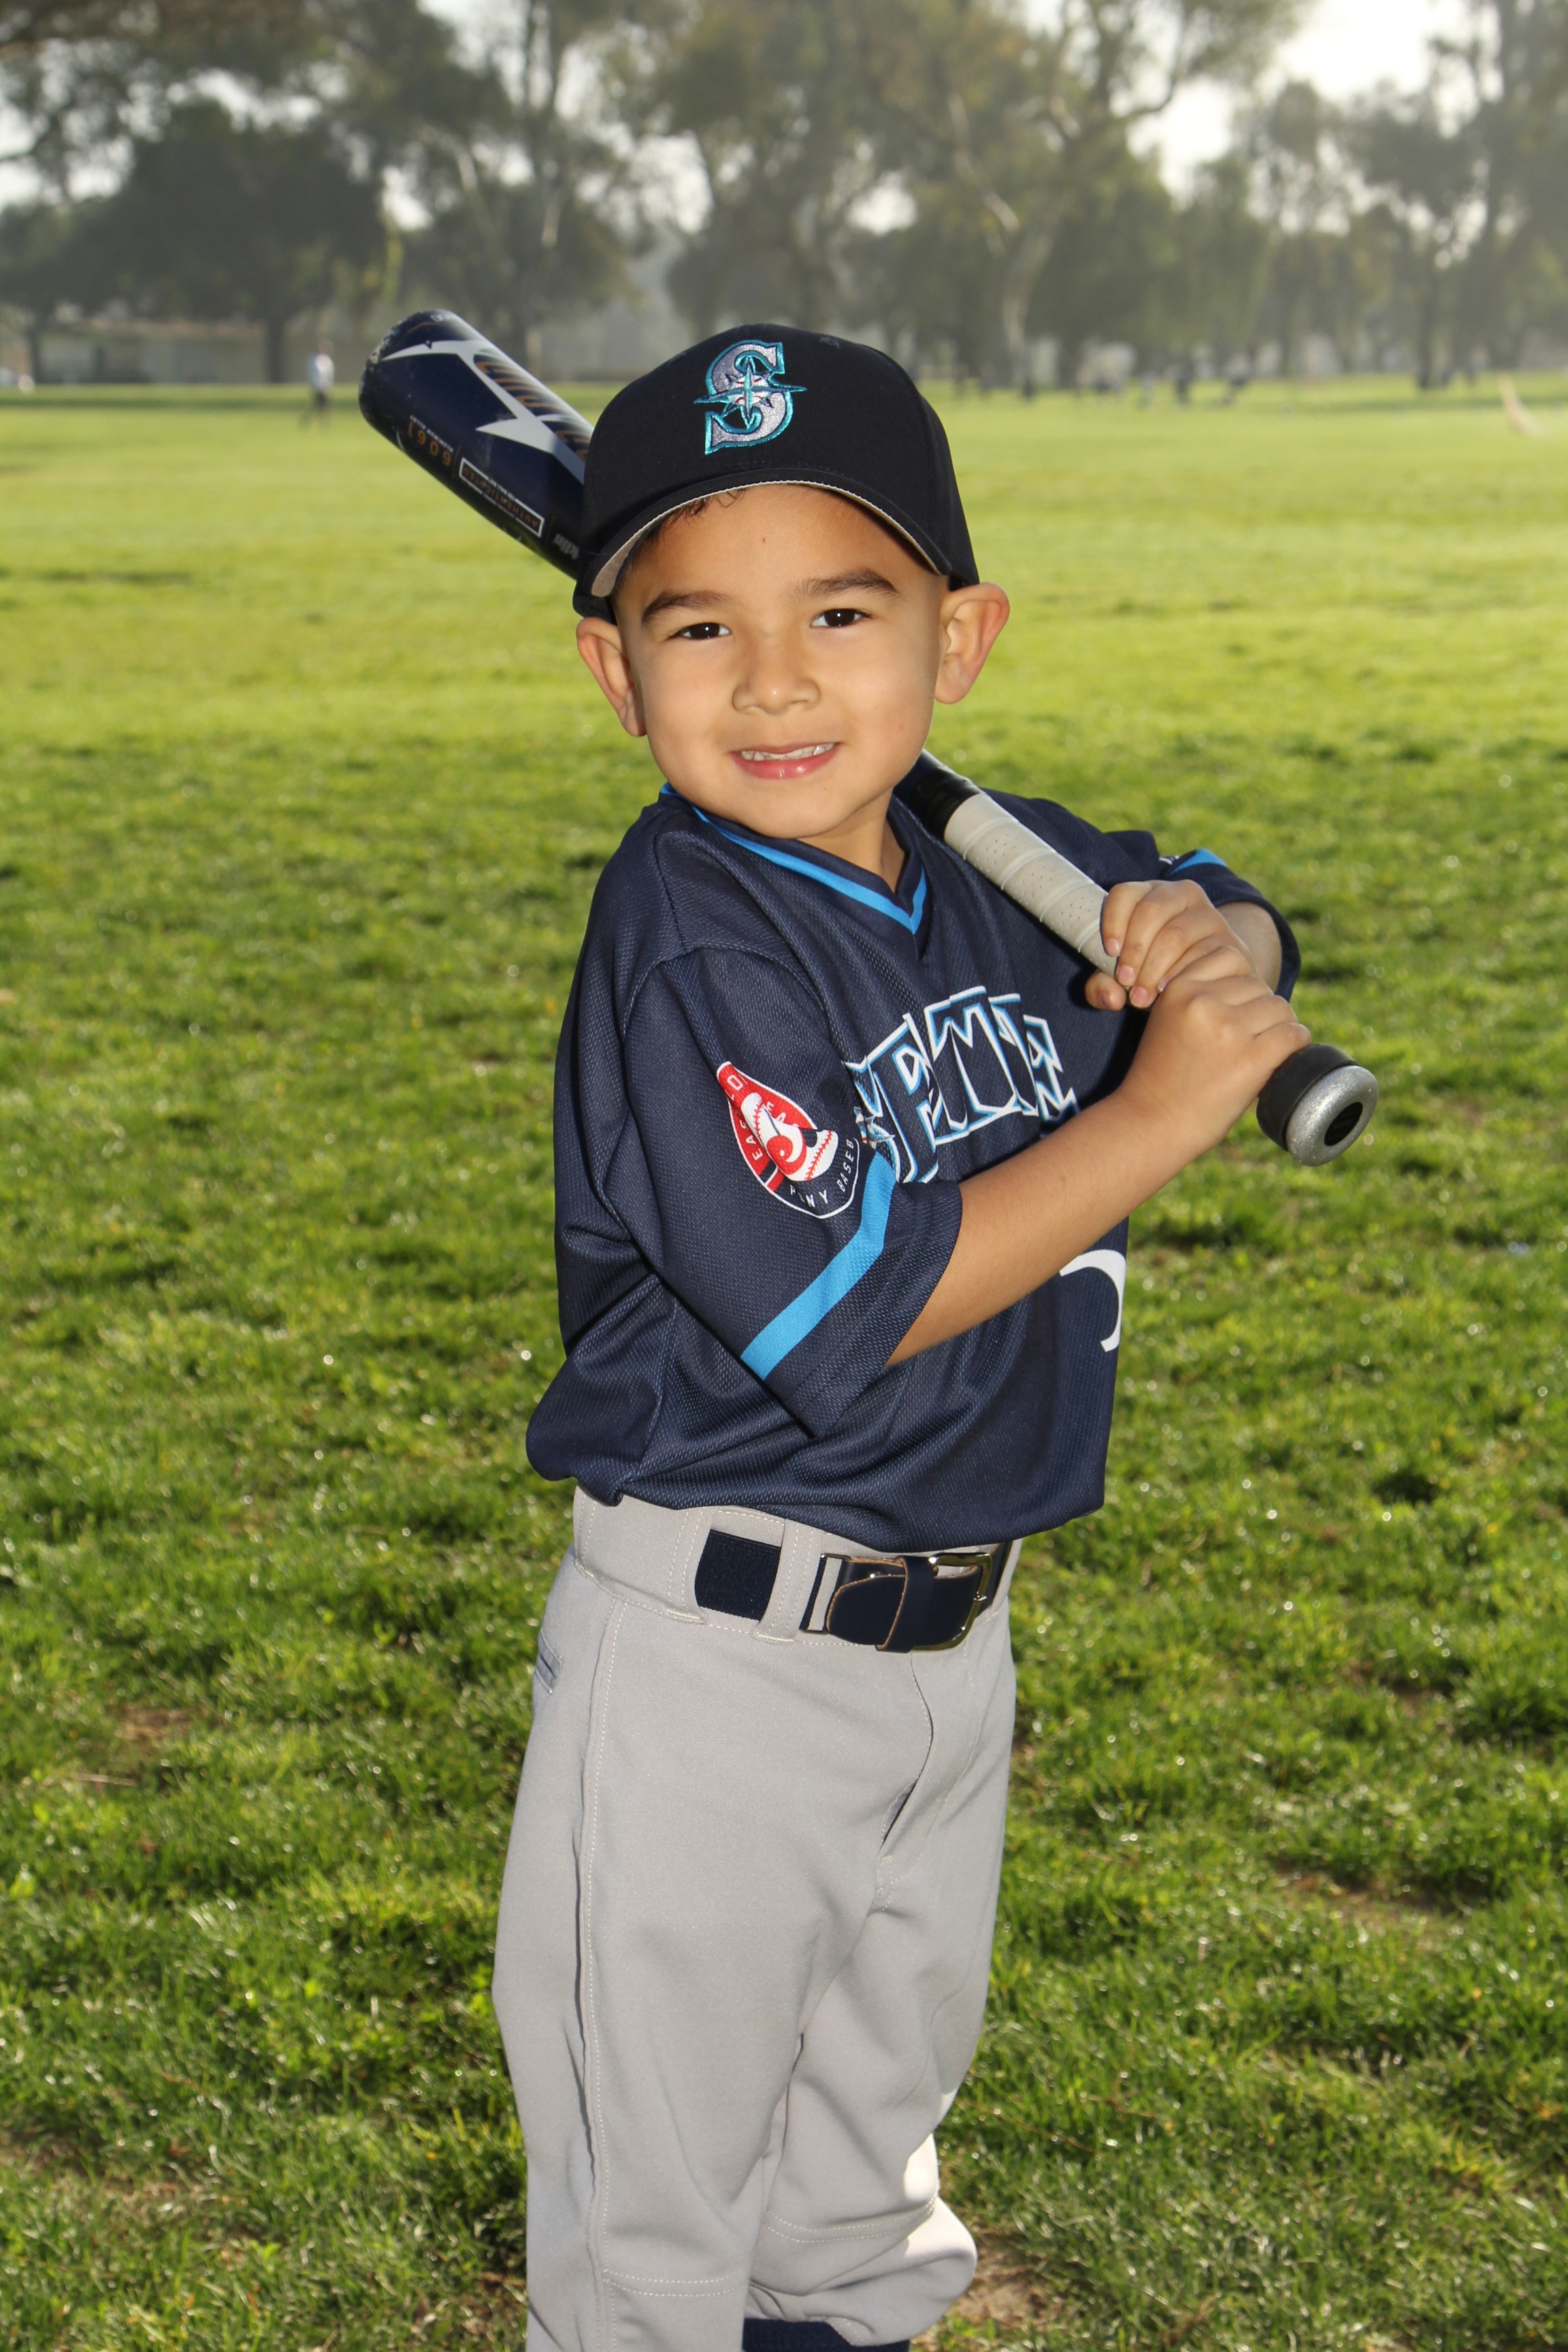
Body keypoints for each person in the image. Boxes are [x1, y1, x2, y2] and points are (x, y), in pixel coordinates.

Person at [491, 326, 1305, 2352]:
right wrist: (1162, 1111)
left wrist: (1216, 943)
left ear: (961, 638)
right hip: (719, 1670)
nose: (773, 681)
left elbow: (1219, 898)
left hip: (951, 1651)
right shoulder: (690, 933)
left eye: (841, 614)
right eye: (700, 626)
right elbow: (869, 1297)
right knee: (660, 2240)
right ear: (616, 671)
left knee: (856, 2208)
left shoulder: (994, 864)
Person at [303, 338, 334, 422]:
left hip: (324, 385)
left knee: (321, 404)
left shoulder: (327, 360)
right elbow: (312, 373)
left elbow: (329, 374)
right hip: (317, 386)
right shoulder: (313, 359)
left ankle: (319, 419)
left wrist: (329, 385)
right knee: (319, 404)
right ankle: (321, 419)